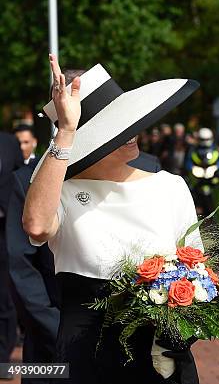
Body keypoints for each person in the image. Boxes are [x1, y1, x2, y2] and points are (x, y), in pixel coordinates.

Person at [23, 55, 201, 384]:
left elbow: (198, 273)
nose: (131, 132)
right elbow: (35, 226)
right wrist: (65, 132)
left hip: (160, 359)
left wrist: (184, 328)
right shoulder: (59, 193)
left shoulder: (170, 186)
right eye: (116, 126)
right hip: (86, 360)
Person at [6, 155, 60, 384]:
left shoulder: (148, 170)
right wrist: (54, 326)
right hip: (47, 336)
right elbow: (21, 266)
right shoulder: (26, 178)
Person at [0, 132, 23, 380]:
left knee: (4, 296)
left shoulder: (8, 142)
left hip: (3, 231)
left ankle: (3, 358)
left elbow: (18, 179)